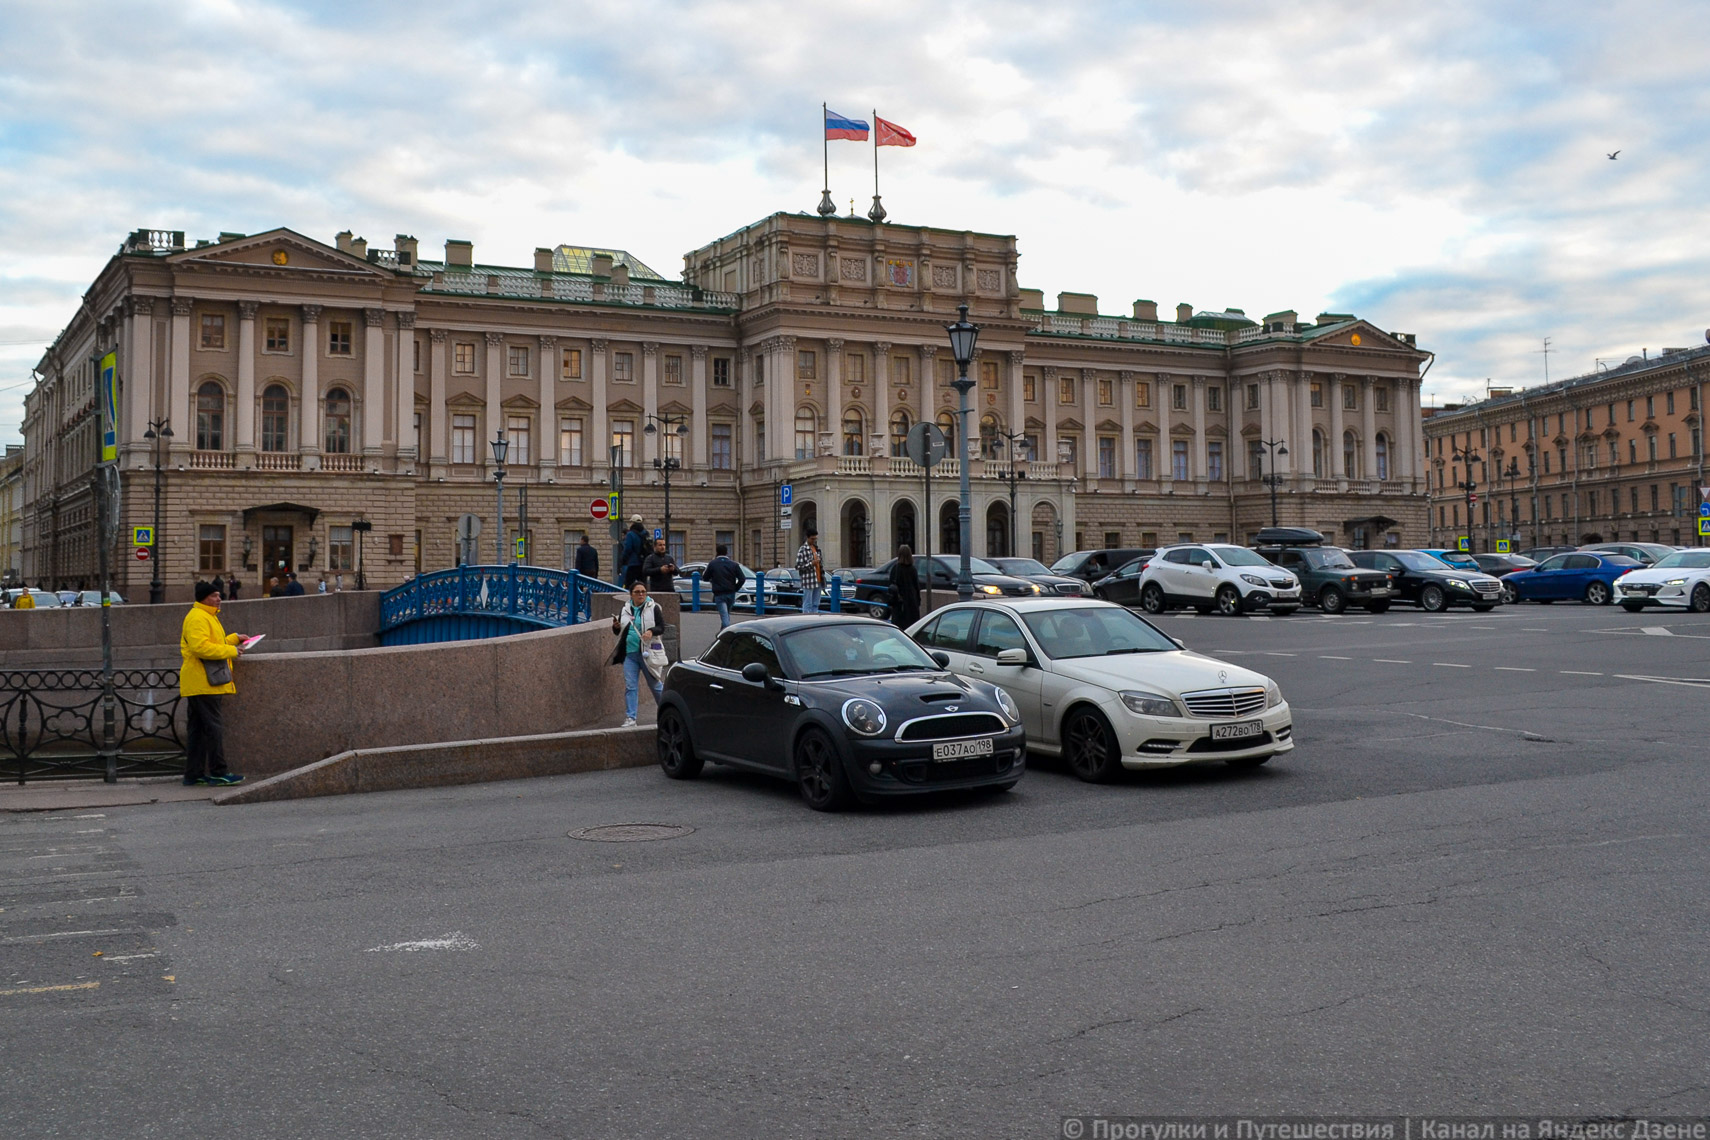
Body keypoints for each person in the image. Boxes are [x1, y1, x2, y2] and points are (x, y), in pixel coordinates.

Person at [179, 580, 249, 786]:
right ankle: (219, 771)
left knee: (198, 730)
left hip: (202, 681)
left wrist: (234, 639)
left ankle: (193, 774)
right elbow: (201, 648)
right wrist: (232, 651)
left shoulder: (206, 616)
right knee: (213, 728)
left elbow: (213, 643)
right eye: (214, 596)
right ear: (203, 598)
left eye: (219, 595)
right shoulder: (198, 618)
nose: (219, 599)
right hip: (203, 681)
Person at [610, 581, 665, 727]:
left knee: (655, 685)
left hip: (648, 652)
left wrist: (651, 631)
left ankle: (667, 712)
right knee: (630, 686)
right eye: (637, 592)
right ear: (631, 594)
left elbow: (662, 627)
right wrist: (615, 627)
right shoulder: (625, 609)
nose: (641, 594)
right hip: (630, 653)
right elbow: (619, 632)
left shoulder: (653, 608)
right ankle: (630, 718)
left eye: (643, 592)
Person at [704, 544, 745, 628]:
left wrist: (713, 580)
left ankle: (726, 633)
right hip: (731, 592)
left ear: (717, 552)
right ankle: (722, 635)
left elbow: (705, 577)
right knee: (726, 615)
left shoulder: (713, 564)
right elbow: (742, 578)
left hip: (719, 593)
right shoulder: (734, 564)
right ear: (727, 552)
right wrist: (736, 588)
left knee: (724, 617)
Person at [889, 544, 921, 628]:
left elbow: (891, 585)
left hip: (899, 604)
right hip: (912, 604)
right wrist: (918, 601)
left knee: (898, 628)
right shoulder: (913, 569)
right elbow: (917, 587)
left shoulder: (895, 568)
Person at [796, 525, 824, 613]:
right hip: (808, 580)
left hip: (818, 579)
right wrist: (811, 563)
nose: (814, 541)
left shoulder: (817, 549)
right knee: (807, 603)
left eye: (815, 539)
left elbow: (820, 564)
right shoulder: (802, 549)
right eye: (812, 539)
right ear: (807, 538)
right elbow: (798, 566)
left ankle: (814, 619)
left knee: (816, 603)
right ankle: (806, 619)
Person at [619, 517, 648, 588]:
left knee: (628, 585)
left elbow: (628, 548)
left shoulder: (630, 534)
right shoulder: (646, 533)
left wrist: (623, 560)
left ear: (632, 523)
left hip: (633, 563)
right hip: (643, 562)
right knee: (643, 585)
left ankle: (629, 598)